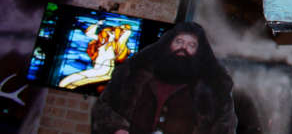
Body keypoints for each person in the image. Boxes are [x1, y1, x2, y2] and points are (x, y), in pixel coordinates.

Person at [91, 21, 237, 134]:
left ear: (198, 51)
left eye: (191, 45)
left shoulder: (213, 88)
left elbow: (225, 128)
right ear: (169, 44)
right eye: (179, 42)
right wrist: (118, 128)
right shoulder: (133, 73)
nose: (183, 48)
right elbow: (103, 108)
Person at [59, 21, 132, 89]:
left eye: (112, 33)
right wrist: (97, 24)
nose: (109, 34)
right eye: (108, 32)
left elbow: (125, 35)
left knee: (71, 82)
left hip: (105, 70)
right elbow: (89, 34)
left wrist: (123, 28)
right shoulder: (102, 41)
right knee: (66, 82)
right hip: (96, 68)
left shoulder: (118, 45)